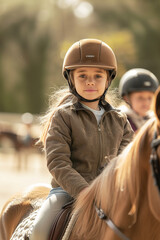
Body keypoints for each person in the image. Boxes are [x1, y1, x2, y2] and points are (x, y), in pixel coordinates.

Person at [30, 38, 134, 240]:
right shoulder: (63, 117)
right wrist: (85, 191)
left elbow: (127, 161)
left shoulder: (120, 120)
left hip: (109, 193)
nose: (90, 81)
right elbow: (58, 162)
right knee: (40, 230)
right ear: (71, 79)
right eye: (82, 75)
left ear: (108, 79)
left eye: (97, 75)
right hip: (67, 192)